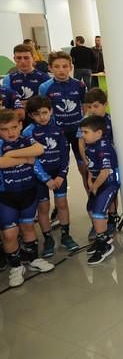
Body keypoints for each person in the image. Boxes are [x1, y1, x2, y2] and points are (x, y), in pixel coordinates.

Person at [0, 109, 55, 287]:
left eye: (14, 127)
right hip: (6, 195)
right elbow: (1, 163)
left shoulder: (26, 139)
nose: (10, 132)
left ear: (20, 125)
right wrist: (26, 159)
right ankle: (16, 267)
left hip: (29, 191)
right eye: (4, 129)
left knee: (28, 227)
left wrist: (11, 155)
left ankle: (33, 259)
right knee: (9, 234)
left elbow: (39, 149)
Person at [23, 96, 78, 257]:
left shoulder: (58, 128)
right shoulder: (28, 132)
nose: (42, 117)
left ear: (51, 111)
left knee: (62, 203)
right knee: (44, 208)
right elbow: (33, 160)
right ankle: (48, 238)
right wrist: (45, 179)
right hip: (40, 178)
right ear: (31, 116)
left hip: (59, 174)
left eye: (45, 112)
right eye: (37, 114)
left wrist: (61, 175)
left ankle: (66, 235)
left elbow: (64, 153)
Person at [39, 52, 88, 186]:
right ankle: (60, 203)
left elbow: (85, 109)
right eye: (57, 66)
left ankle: (92, 201)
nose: (61, 70)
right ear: (50, 68)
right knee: (58, 169)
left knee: (85, 168)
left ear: (71, 67)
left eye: (65, 66)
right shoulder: (45, 87)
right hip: (57, 134)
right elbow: (43, 111)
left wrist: (84, 130)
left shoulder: (80, 85)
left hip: (78, 133)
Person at [79, 115, 120, 265]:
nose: (82, 136)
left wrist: (95, 186)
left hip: (109, 184)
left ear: (98, 133)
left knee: (97, 213)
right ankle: (102, 237)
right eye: (82, 132)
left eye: (85, 132)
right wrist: (90, 179)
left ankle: (104, 246)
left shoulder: (104, 148)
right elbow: (91, 166)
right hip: (97, 183)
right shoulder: (89, 146)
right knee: (90, 209)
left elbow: (104, 172)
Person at [3, 43, 50, 114]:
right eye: (19, 58)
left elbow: (48, 102)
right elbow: (6, 103)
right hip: (17, 118)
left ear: (33, 58)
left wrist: (28, 103)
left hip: (38, 117)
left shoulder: (44, 78)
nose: (23, 61)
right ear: (14, 59)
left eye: (26, 58)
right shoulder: (8, 79)